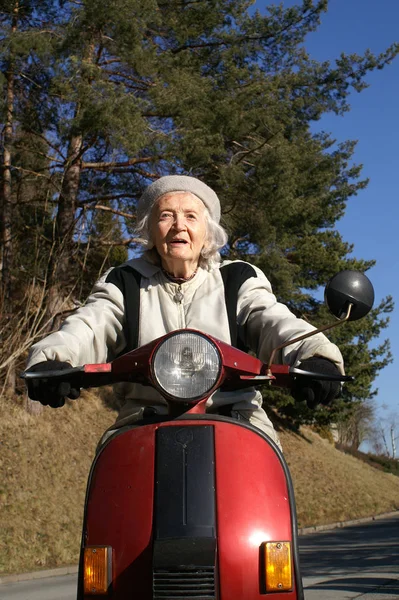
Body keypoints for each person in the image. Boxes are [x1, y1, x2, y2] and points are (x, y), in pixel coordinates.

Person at [25, 175, 344, 450]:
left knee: (266, 503)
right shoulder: (125, 281)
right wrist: (52, 358)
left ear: (209, 231)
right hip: (142, 423)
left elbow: (273, 321)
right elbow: (89, 325)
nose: (179, 225)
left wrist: (314, 353)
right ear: (150, 229)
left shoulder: (236, 279)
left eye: (191, 216)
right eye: (166, 215)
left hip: (236, 420)